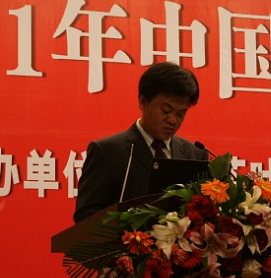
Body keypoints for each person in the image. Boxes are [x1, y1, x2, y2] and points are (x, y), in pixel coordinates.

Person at [73, 61, 208, 224]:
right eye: (166, 111)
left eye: (180, 114)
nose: (172, 120)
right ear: (143, 101)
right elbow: (86, 215)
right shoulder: (108, 152)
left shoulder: (195, 155)